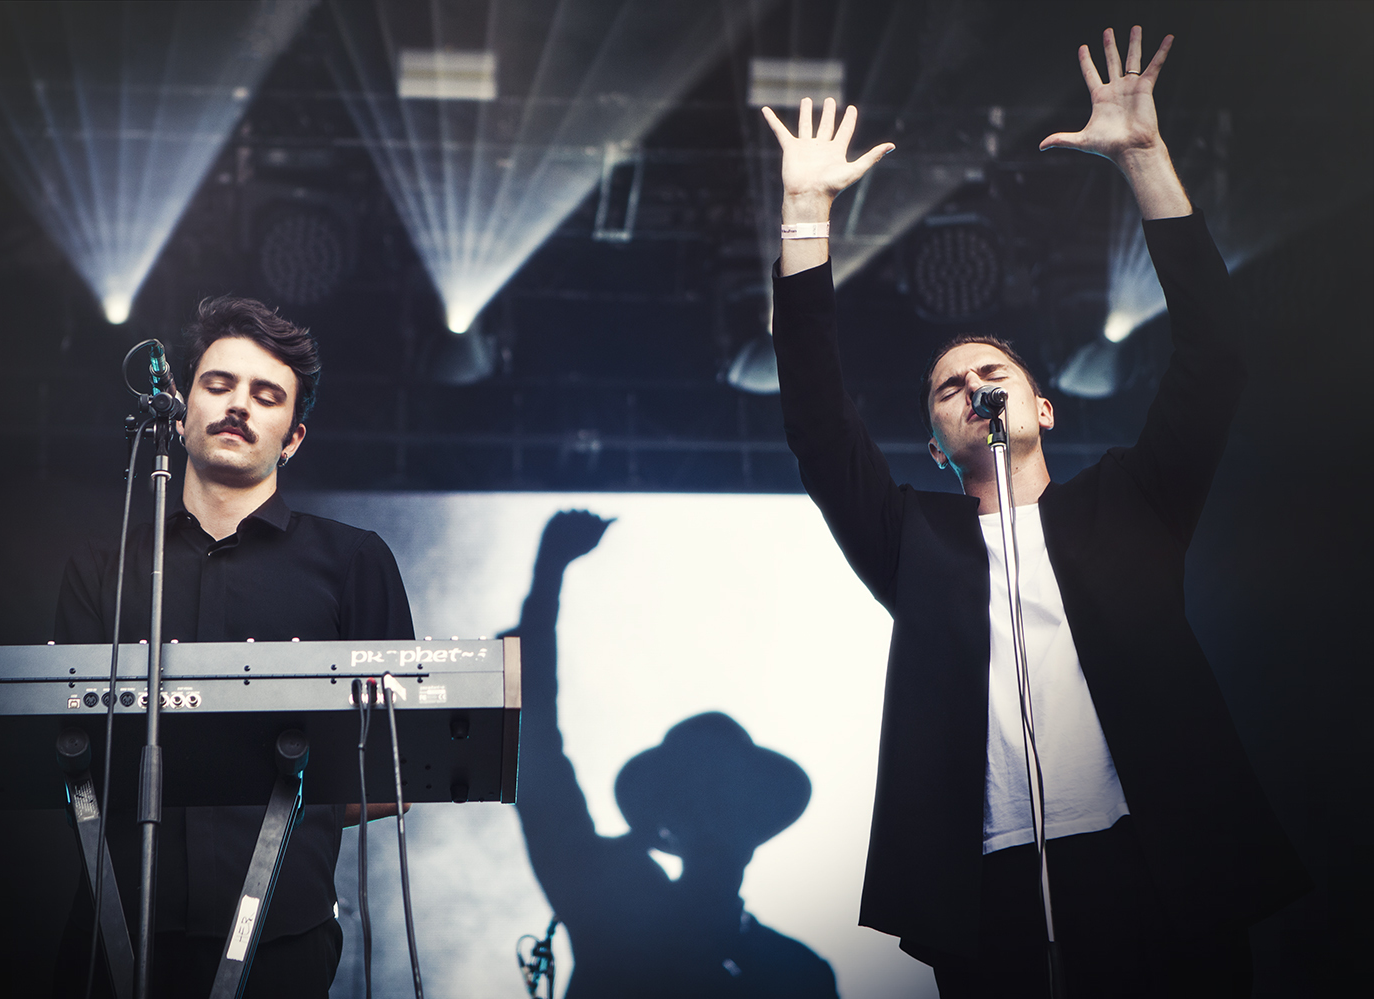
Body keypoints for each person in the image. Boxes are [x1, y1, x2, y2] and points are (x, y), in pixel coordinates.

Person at [761, 26, 1307, 997]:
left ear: (1040, 407)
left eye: (991, 374)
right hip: (991, 883)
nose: (973, 389)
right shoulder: (915, 540)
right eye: (946, 388)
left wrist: (1146, 160)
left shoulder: (1130, 504)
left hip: (1155, 860)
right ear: (935, 442)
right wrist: (806, 213)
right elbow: (813, 419)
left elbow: (1216, 357)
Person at [52, 297, 413, 998]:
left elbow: (396, 775)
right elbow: (66, 750)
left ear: (294, 437)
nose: (239, 404)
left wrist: (279, 799)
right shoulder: (102, 565)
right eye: (218, 384)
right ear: (181, 412)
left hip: (285, 935)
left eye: (266, 394)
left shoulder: (353, 561)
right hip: (112, 927)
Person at [509, 510, 838, 998]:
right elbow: (532, 742)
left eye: (720, 797)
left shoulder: (797, 973)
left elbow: (533, 745)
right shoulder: (605, 897)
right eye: (700, 793)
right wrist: (548, 576)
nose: (709, 814)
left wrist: (550, 570)